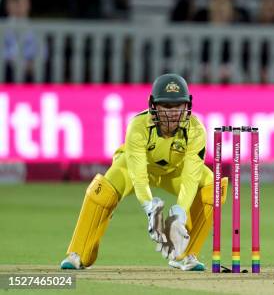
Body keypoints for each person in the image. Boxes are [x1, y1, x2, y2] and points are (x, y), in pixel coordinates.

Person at [60, 74, 227, 271]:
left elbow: (191, 177)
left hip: (175, 171)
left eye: (178, 106)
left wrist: (179, 214)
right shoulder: (138, 126)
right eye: (166, 106)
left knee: (213, 187)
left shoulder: (196, 130)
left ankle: (185, 255)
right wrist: (150, 208)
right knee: (102, 191)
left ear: (187, 105)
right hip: (134, 169)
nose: (172, 113)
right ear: (153, 105)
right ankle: (78, 254)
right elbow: (138, 174)